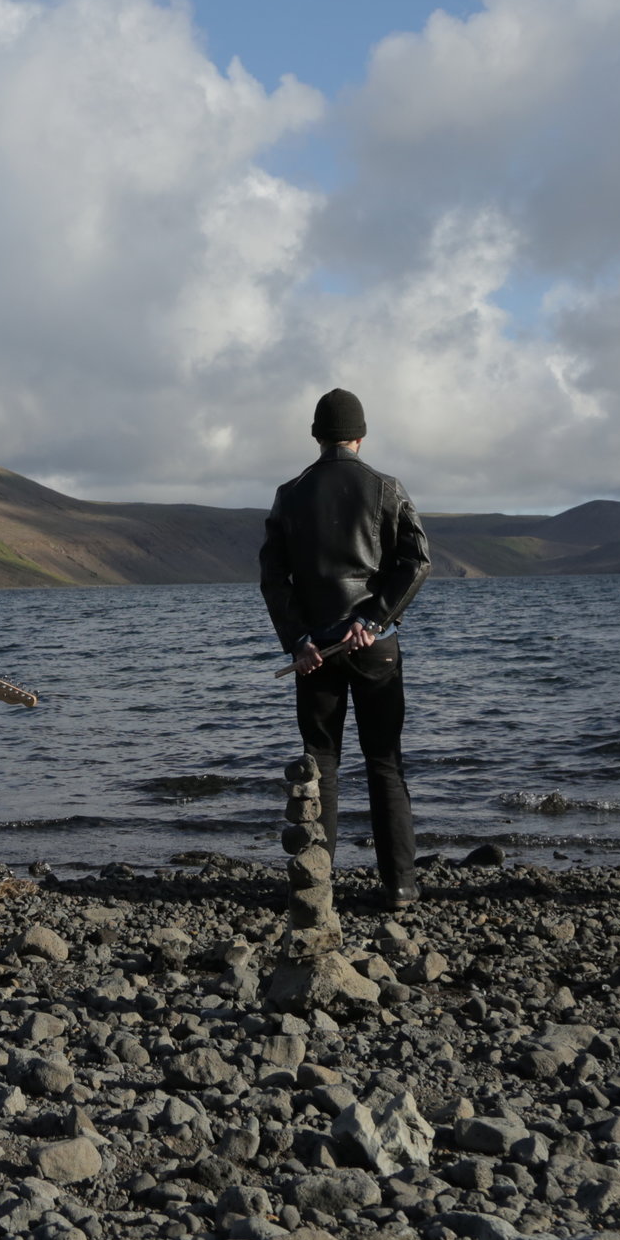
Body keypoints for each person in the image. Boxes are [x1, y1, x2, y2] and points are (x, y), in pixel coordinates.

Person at [258, 389, 432, 911]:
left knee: (322, 766)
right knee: (385, 763)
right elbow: (417, 561)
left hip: (315, 654)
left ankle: (318, 886)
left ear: (317, 436)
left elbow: (273, 578)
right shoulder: (386, 487)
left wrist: (300, 641)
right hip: (376, 645)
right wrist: (374, 617)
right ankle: (400, 886)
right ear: (360, 435)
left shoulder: (290, 494)